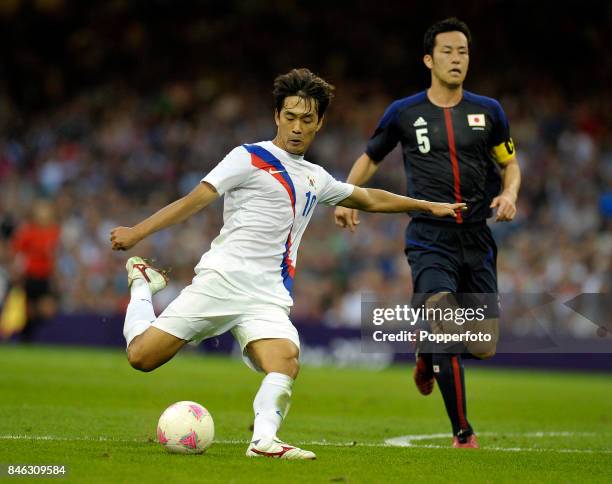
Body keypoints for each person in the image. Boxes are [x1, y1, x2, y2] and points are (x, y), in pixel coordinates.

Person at [110, 68, 465, 460]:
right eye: (290, 117)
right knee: (142, 357)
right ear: (277, 115)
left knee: (285, 359)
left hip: (268, 295)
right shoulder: (248, 157)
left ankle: (263, 441)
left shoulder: (316, 177)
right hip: (221, 281)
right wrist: (138, 232)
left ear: (320, 123)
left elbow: (368, 198)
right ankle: (142, 284)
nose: (297, 127)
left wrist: (425, 205)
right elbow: (193, 201)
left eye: (307, 119)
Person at [334, 18, 521, 448]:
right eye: (448, 52)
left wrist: (509, 194)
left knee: (484, 345)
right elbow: (370, 158)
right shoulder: (404, 112)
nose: (457, 59)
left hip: (477, 238)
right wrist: (346, 196)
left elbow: (510, 163)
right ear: (428, 59)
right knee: (446, 326)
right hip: (429, 239)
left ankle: (424, 353)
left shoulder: (489, 111)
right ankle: (463, 432)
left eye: (463, 52)